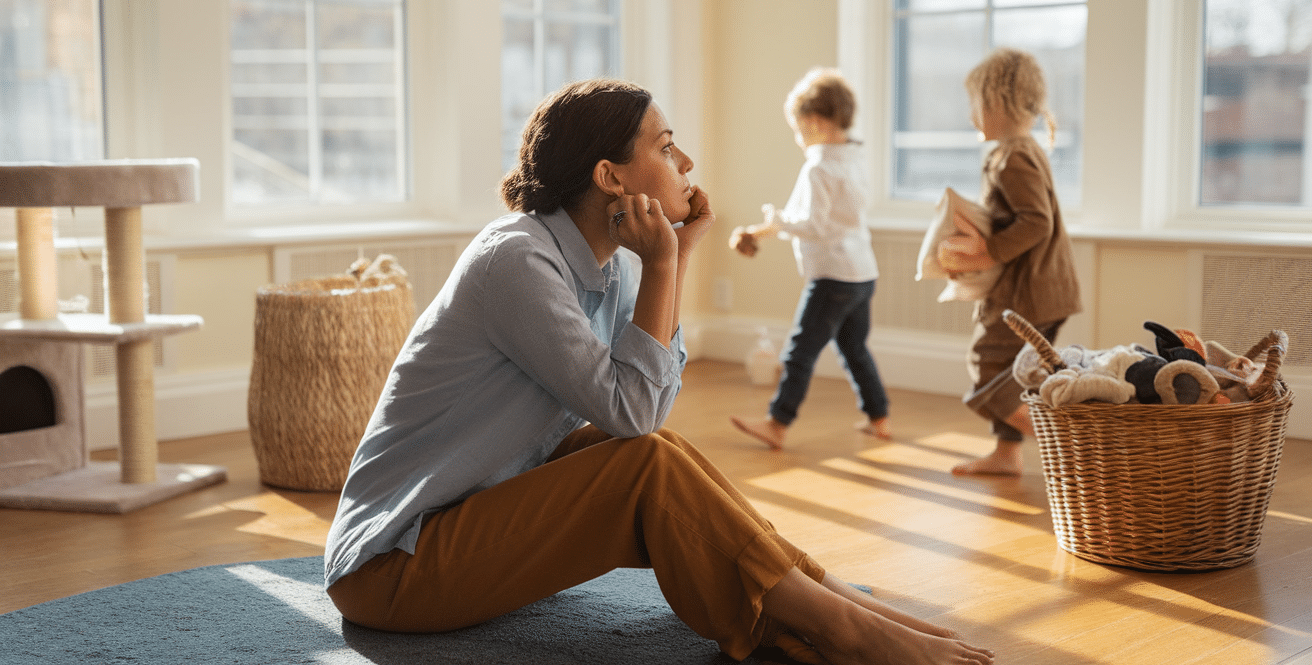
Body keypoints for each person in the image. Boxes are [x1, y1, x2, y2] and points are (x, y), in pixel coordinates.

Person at [323, 78, 994, 665]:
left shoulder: (608, 263)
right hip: (392, 565)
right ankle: (843, 629)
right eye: (667, 146)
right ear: (611, 177)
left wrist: (669, 259)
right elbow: (632, 410)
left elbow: (649, 414)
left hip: (476, 509)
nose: (688, 162)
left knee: (658, 453)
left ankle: (832, 601)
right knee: (644, 460)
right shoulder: (517, 262)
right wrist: (668, 264)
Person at [728, 68, 890, 451]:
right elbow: (832, 220)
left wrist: (774, 221)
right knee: (854, 348)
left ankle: (778, 422)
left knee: (799, 351)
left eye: (798, 130)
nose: (798, 139)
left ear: (815, 123)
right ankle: (878, 417)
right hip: (862, 272)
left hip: (832, 275)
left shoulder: (819, 167)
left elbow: (813, 225)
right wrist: (768, 229)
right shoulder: (854, 159)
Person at [939, 48, 1082, 477]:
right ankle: (1007, 453)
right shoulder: (1023, 149)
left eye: (975, 105)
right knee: (1012, 372)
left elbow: (1035, 222)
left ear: (997, 103)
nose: (971, 117)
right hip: (1042, 289)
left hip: (1031, 293)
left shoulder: (1013, 156)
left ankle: (1067, 437)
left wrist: (987, 251)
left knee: (988, 368)